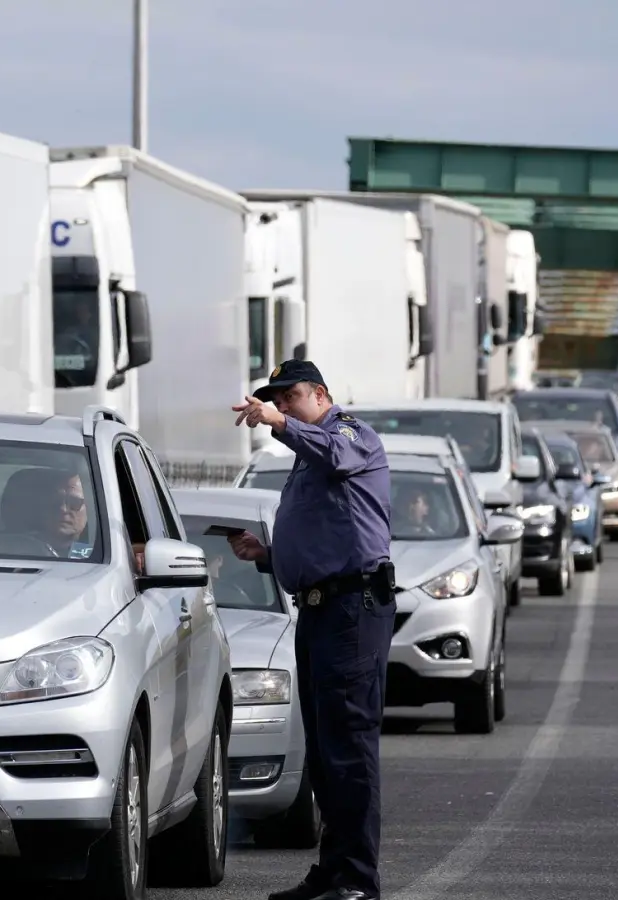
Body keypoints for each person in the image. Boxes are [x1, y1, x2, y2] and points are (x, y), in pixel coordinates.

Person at [228, 359, 395, 900]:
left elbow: (339, 456)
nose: (281, 406)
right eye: (276, 400)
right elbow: (324, 537)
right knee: (324, 753)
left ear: (320, 394)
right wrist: (267, 554)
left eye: (290, 397)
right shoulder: (307, 454)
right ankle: (333, 871)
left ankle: (358, 880)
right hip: (321, 610)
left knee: (349, 748)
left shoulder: (348, 434)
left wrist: (279, 423)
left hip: (352, 609)